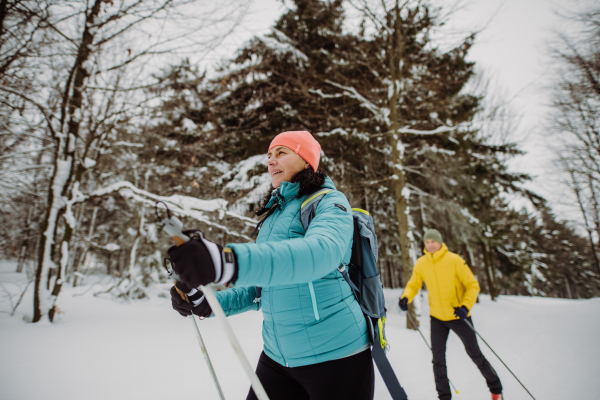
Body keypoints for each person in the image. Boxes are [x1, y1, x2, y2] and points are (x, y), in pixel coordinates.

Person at [168, 131, 374, 400]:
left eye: (281, 153)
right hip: (278, 358)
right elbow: (263, 289)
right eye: (269, 155)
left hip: (336, 355)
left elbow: (321, 254)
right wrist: (208, 302)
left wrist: (227, 262)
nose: (271, 160)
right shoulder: (275, 213)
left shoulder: (330, 202)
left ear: (306, 159)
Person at [398, 229, 503, 400]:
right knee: (438, 360)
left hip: (459, 316)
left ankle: (496, 388)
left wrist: (465, 307)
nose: (430, 245)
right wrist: (405, 297)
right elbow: (413, 283)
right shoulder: (422, 263)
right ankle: (444, 397)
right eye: (427, 242)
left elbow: (472, 285)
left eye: (433, 241)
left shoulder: (454, 260)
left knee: (474, 353)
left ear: (440, 242)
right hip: (437, 318)